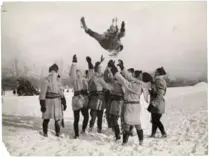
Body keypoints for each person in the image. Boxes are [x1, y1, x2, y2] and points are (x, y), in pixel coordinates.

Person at [108, 59, 149, 145]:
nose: (138, 75)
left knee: (127, 124)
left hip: (130, 106)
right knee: (137, 123)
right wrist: (122, 67)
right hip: (135, 106)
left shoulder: (137, 85)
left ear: (141, 78)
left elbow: (124, 81)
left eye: (140, 75)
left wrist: (114, 69)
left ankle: (125, 143)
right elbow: (129, 77)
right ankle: (141, 141)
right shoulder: (139, 82)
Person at [86, 55, 113, 133]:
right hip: (94, 98)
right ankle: (91, 127)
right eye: (99, 68)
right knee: (93, 115)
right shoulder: (93, 76)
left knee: (100, 116)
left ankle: (99, 129)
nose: (100, 69)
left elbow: (106, 84)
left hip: (101, 98)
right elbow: (93, 68)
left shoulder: (101, 77)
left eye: (101, 68)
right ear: (97, 69)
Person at [39, 64, 67, 137]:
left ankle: (45, 133)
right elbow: (61, 92)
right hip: (57, 101)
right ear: (56, 70)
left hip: (48, 101)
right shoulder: (58, 80)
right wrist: (64, 102)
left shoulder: (46, 79)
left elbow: (42, 94)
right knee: (57, 119)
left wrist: (42, 104)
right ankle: (57, 133)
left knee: (46, 118)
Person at [69, 55, 89, 139]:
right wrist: (74, 63)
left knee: (85, 117)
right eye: (77, 73)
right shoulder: (75, 80)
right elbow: (72, 74)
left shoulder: (84, 80)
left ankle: (82, 130)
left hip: (82, 100)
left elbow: (90, 75)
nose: (78, 74)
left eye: (79, 73)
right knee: (77, 119)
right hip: (78, 100)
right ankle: (77, 133)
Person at [148, 67, 167, 138]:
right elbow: (156, 92)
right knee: (154, 119)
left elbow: (160, 94)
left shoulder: (159, 81)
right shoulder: (157, 80)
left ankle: (163, 133)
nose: (155, 72)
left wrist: (153, 103)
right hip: (156, 103)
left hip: (158, 104)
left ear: (159, 73)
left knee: (156, 120)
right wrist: (150, 91)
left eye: (156, 72)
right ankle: (153, 134)